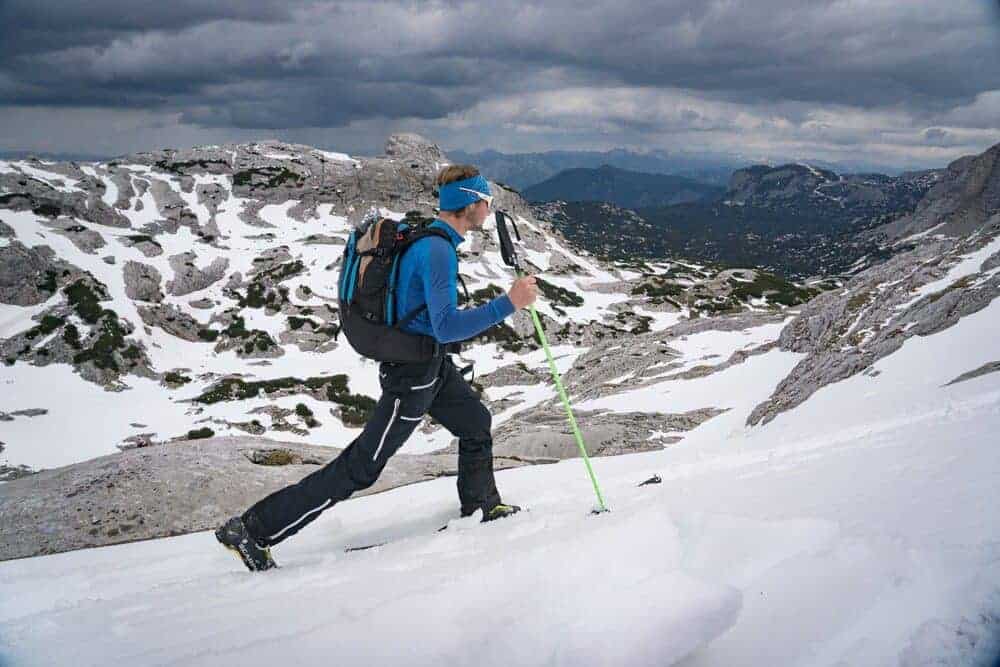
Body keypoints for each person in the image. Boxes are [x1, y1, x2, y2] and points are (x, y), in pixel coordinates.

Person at [216, 165, 539, 571]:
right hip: (412, 378)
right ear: (469, 204)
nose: (489, 207)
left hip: (431, 366)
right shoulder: (438, 251)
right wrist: (509, 303)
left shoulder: (430, 238)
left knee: (475, 421)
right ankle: (254, 530)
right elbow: (446, 327)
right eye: (485, 200)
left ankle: (481, 506)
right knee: (361, 467)